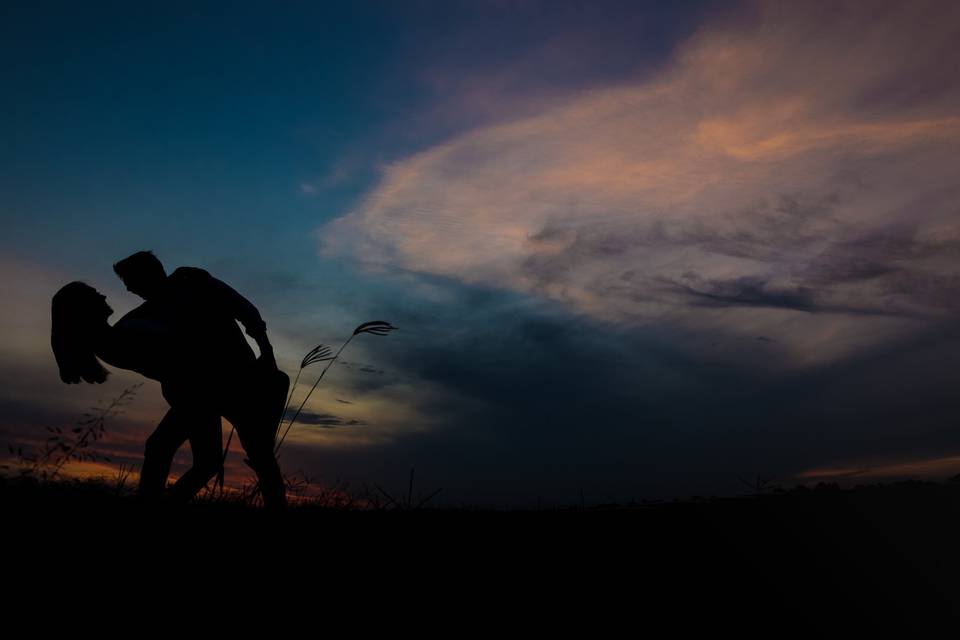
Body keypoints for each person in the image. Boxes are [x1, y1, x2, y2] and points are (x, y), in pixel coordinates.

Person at [110, 251, 289, 508]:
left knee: (256, 456)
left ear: (147, 275)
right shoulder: (146, 314)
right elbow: (114, 341)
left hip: (236, 382)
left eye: (129, 280)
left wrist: (267, 352)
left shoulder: (194, 283)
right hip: (197, 395)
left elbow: (244, 309)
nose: (128, 288)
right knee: (191, 456)